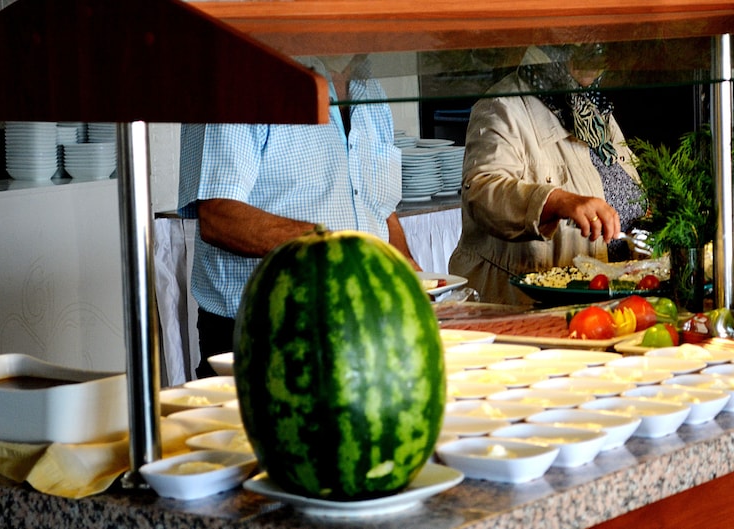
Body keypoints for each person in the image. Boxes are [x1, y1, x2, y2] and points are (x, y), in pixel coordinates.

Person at [178, 55, 420, 378]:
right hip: (266, 333)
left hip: (360, 324)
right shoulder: (245, 74)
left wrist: (408, 271)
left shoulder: (367, 84)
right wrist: (329, 245)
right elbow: (219, 217)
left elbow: (378, 205)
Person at [448, 44, 646, 305]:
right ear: (553, 43)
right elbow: (482, 193)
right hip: (526, 307)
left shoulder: (591, 109)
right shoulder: (501, 106)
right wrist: (558, 201)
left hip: (609, 303)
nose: (599, 52)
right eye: (587, 44)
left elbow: (626, 188)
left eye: (603, 45)